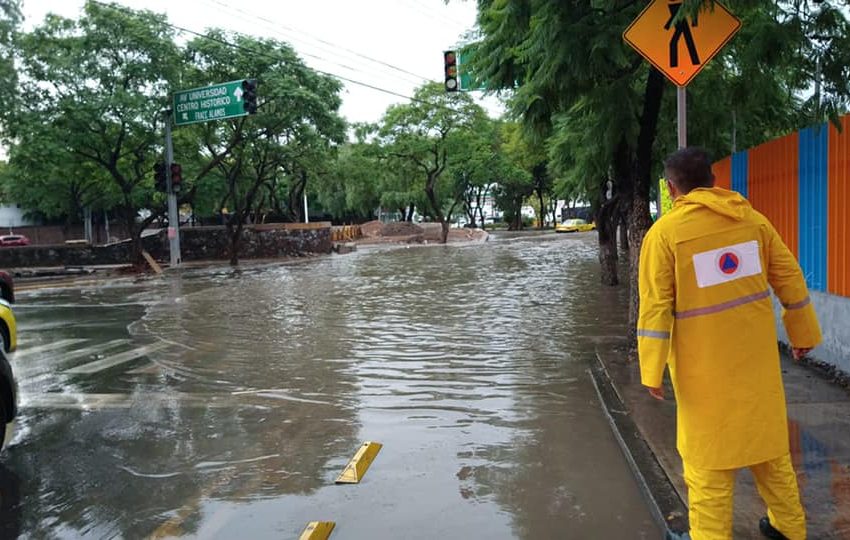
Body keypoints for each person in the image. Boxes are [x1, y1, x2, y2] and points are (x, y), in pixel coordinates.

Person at [638, 147, 822, 540]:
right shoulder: (752, 221)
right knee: (771, 454)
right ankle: (789, 529)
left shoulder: (665, 236)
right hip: (756, 367)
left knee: (708, 467)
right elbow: (788, 275)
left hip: (702, 372)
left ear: (672, 189)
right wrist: (803, 334)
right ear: (714, 180)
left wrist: (650, 370)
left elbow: (655, 308)